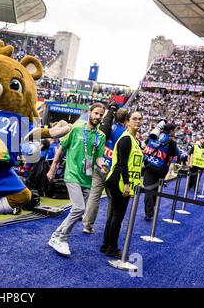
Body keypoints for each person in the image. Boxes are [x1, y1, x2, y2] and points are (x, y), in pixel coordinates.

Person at [47, 103, 106, 256]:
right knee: (79, 208)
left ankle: (56, 235)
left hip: (87, 177)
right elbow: (62, 147)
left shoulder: (101, 136)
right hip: (72, 174)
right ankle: (62, 239)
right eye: (96, 113)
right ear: (90, 113)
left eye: (101, 115)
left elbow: (98, 157)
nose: (98, 117)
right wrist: (53, 167)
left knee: (77, 211)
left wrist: (103, 164)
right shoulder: (76, 128)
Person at [102, 111, 143, 258]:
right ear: (127, 121)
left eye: (140, 119)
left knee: (114, 215)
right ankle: (112, 248)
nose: (137, 121)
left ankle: (106, 245)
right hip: (119, 181)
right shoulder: (126, 139)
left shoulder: (133, 140)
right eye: (134, 119)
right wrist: (126, 184)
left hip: (121, 180)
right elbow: (122, 164)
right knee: (117, 216)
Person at [82, 107, 127, 234]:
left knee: (94, 196)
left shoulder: (105, 127)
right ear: (125, 120)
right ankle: (109, 227)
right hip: (111, 169)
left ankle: (87, 225)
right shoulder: (125, 133)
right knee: (112, 199)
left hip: (98, 164)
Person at [142, 122, 178, 220]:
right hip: (161, 169)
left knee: (148, 189)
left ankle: (149, 212)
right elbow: (170, 159)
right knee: (155, 189)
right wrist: (165, 173)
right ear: (171, 131)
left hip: (149, 166)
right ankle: (151, 210)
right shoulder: (172, 142)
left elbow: (143, 147)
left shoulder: (153, 135)